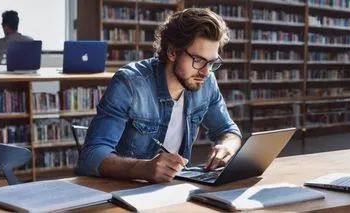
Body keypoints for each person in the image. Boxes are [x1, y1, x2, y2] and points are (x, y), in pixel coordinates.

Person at [78, 8, 242, 183]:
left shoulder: (206, 82)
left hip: (172, 188)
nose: (206, 72)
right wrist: (144, 168)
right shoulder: (130, 83)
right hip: (121, 190)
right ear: (172, 52)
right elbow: (91, 156)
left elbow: (228, 130)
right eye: (198, 60)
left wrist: (227, 146)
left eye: (211, 62)